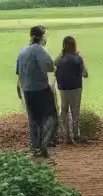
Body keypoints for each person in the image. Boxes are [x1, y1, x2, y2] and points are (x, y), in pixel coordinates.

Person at [16, 25, 57, 157]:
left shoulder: (22, 52)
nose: (46, 38)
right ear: (41, 37)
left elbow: (19, 72)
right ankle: (44, 144)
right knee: (51, 117)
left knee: (33, 119)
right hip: (40, 89)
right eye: (45, 35)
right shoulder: (39, 50)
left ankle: (35, 147)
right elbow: (50, 66)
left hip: (27, 90)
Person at [54, 35, 88, 144]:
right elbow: (85, 74)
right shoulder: (77, 59)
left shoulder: (59, 59)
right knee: (75, 111)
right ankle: (76, 135)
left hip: (63, 88)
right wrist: (82, 58)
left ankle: (67, 136)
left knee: (64, 111)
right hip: (75, 88)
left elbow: (55, 71)